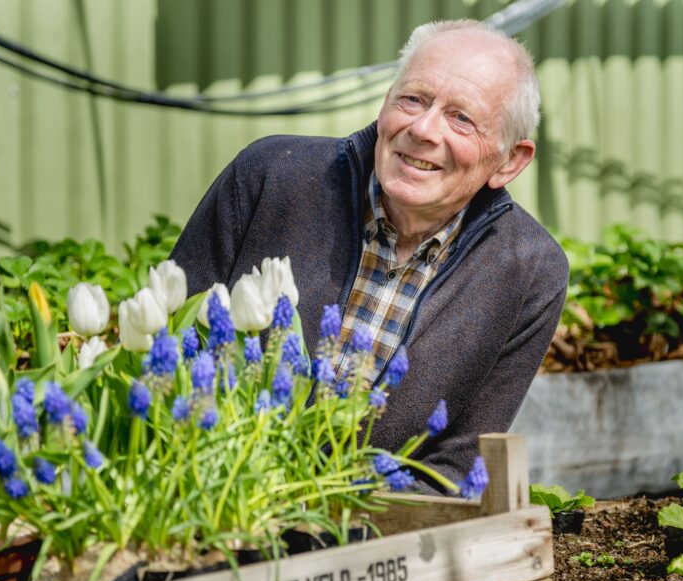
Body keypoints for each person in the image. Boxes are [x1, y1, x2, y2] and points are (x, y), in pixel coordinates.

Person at [170, 19, 568, 493]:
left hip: (369, 534)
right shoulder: (271, 176)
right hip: (206, 495)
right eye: (413, 99)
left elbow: (455, 466)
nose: (422, 129)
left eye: (461, 118)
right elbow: (174, 342)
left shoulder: (529, 269)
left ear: (510, 161)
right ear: (385, 105)